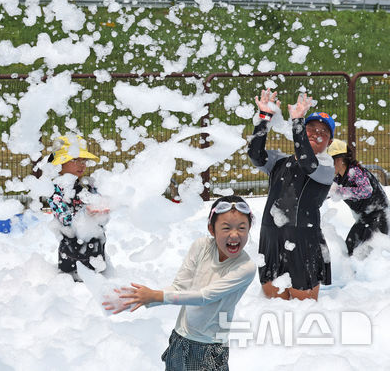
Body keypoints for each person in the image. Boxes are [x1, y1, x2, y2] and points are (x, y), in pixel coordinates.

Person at [105, 195, 256, 371]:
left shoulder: (246, 267)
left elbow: (205, 296)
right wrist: (141, 298)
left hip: (210, 346)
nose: (234, 234)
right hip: (180, 338)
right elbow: (179, 287)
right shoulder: (201, 246)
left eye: (242, 228)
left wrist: (155, 295)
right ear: (211, 229)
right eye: (226, 228)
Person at [249, 90, 335, 301]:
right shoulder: (279, 162)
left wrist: (298, 122)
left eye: (323, 132)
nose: (316, 134)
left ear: (329, 143)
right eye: (311, 129)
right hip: (271, 237)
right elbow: (255, 155)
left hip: (304, 240)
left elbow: (307, 163)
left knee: (302, 309)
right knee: (272, 306)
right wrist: (263, 118)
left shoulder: (326, 167)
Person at [46, 134, 108, 280]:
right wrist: (84, 216)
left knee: (97, 275)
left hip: (94, 240)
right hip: (70, 243)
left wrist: (100, 211)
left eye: (84, 160)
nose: (82, 164)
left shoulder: (87, 184)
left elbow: (98, 203)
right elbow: (63, 217)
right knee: (69, 277)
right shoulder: (56, 188)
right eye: (75, 160)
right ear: (59, 164)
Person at [327, 139, 390, 255]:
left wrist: (341, 191)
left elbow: (367, 190)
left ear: (340, 159)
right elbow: (329, 192)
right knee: (349, 249)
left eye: (331, 160)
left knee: (368, 253)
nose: (329, 165)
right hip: (364, 218)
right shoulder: (339, 178)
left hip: (379, 217)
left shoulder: (354, 171)